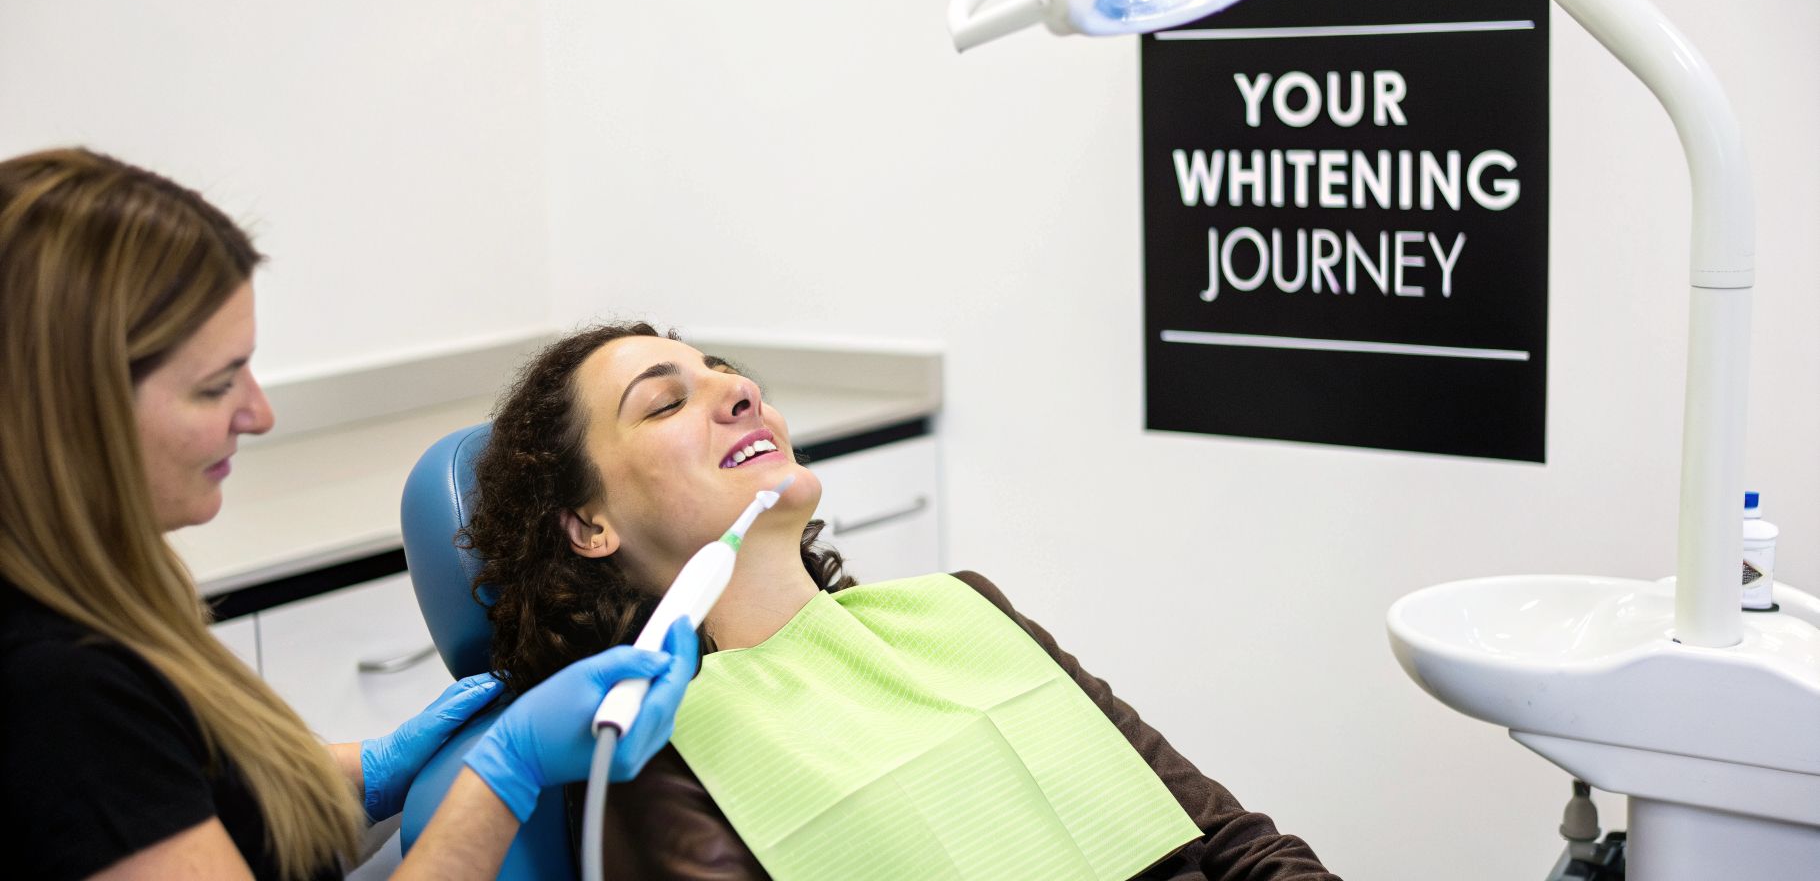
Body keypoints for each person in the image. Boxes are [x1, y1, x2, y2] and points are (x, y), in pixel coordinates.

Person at [0, 148, 695, 881]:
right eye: (214, 387)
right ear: (69, 415)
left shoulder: (91, 614)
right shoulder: (55, 696)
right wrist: (502, 775)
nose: (259, 414)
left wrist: (369, 772)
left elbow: (185, 800)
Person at [464, 322, 1342, 880]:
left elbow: (1239, 848)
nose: (741, 393)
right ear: (589, 525)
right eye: (664, 404)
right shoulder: (646, 748)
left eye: (729, 375)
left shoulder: (962, 612)